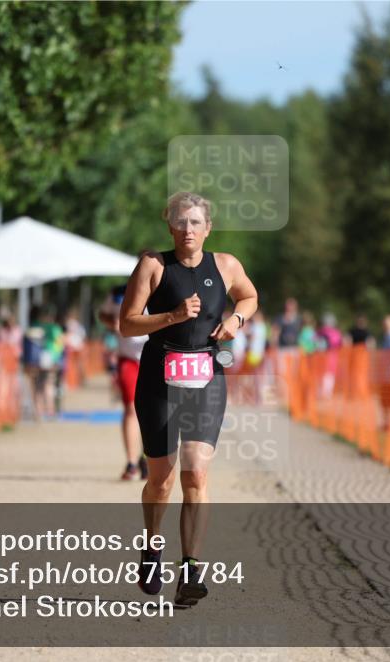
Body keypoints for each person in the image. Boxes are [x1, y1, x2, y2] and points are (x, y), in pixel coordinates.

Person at [119, 191, 257, 608]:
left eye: (196, 222)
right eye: (180, 222)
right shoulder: (153, 265)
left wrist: (236, 319)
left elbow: (249, 296)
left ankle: (191, 570)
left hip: (207, 378)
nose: (188, 230)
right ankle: (152, 547)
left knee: (196, 472)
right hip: (158, 380)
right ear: (170, 226)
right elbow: (127, 324)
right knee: (161, 479)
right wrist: (173, 316)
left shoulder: (226, 265)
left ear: (208, 228)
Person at [99, 282, 150, 481]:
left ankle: (148, 458)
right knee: (131, 408)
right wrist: (113, 322)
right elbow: (102, 314)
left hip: (154, 357)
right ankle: (131, 463)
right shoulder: (118, 293)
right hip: (128, 359)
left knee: (154, 410)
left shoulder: (163, 286)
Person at [317, 312, 343, 398]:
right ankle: (326, 393)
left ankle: (322, 393)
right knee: (329, 376)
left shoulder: (319, 332)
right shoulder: (335, 333)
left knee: (323, 376)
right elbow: (339, 344)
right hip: (331, 358)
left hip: (322, 358)